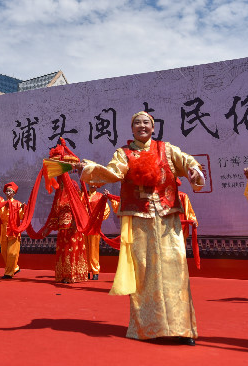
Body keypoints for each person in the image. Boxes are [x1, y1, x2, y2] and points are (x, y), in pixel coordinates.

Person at [78, 111, 204, 345]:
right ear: (132, 129)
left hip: (167, 217)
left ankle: (182, 329)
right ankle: (150, 329)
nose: (142, 126)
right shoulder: (123, 153)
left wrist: (194, 170)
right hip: (139, 218)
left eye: (146, 122)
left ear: (153, 128)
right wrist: (89, 169)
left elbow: (188, 162)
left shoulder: (167, 149)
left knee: (175, 269)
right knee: (145, 273)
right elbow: (113, 172)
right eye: (137, 123)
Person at [83, 181, 115, 280]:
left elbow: (106, 210)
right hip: (84, 225)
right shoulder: (83, 195)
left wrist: (98, 218)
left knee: (94, 248)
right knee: (84, 248)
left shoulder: (100, 196)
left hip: (95, 226)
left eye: (94, 183)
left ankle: (95, 270)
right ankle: (85, 270)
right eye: (90, 183)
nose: (92, 185)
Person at [0, 182, 24, 279]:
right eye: (7, 191)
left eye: (10, 191)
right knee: (4, 252)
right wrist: (5, 208)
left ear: (14, 193)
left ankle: (8, 273)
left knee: (12, 253)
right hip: (4, 230)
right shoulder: (3, 204)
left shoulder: (18, 203)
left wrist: (23, 209)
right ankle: (15, 267)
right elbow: (1, 217)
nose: (8, 193)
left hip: (14, 230)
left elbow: (21, 216)